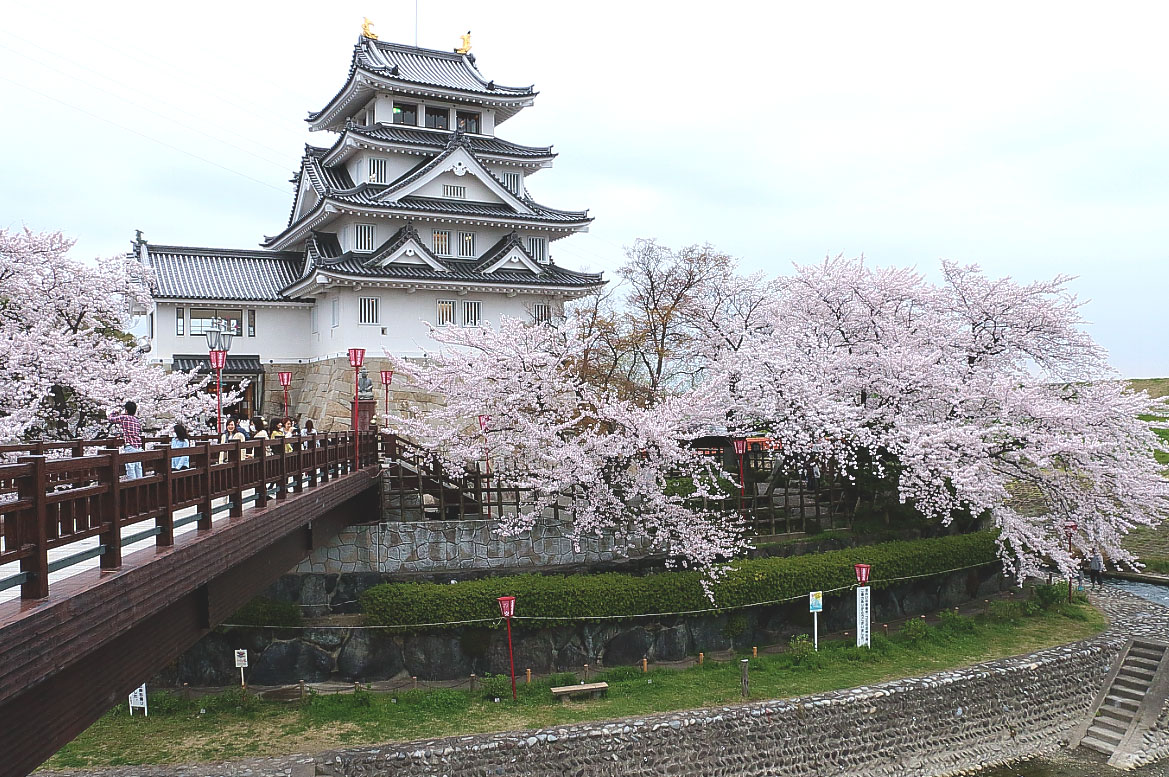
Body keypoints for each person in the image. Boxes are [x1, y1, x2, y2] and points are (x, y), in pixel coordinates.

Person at [108, 401, 143, 479]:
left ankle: (133, 486)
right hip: (138, 446)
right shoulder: (136, 420)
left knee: (130, 466)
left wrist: (113, 413)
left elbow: (111, 419)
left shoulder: (124, 418)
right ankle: (140, 486)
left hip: (130, 445)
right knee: (138, 467)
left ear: (126, 410)